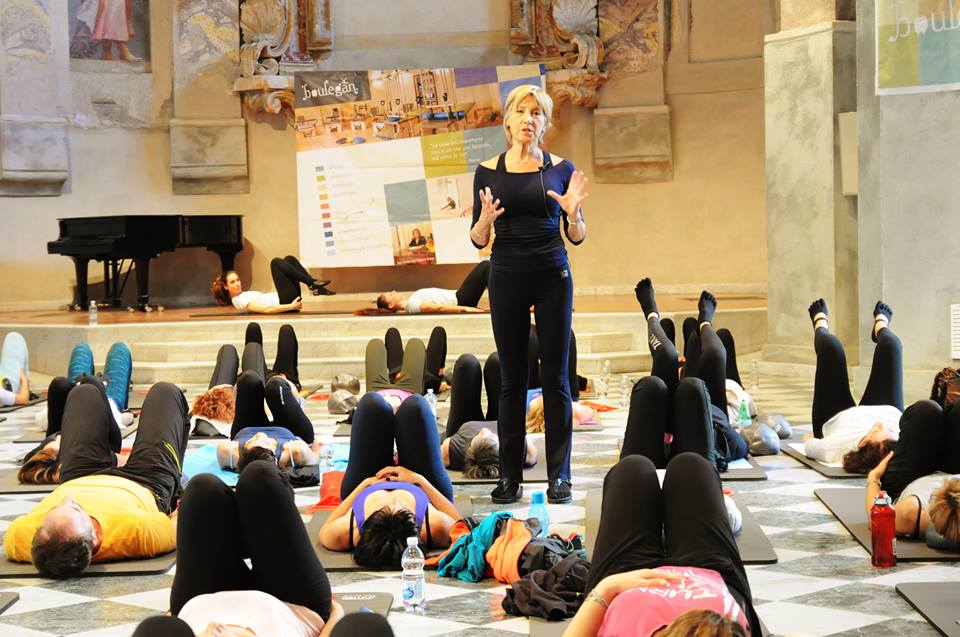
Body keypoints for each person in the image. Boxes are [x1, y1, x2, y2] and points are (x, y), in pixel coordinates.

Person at [470, 83, 589, 504]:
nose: (528, 119)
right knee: (511, 380)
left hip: (553, 274)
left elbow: (577, 236)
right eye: (521, 112)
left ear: (545, 123)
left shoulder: (561, 169)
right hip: (506, 276)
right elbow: (477, 238)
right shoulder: (487, 172)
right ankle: (510, 477)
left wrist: (573, 215)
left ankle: (560, 476)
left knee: (556, 379)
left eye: (536, 113)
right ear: (507, 121)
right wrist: (484, 221)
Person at [130, 460, 345, 637]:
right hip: (292, 605)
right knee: (260, 477)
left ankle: (246, 531)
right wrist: (335, 615)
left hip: (203, 600)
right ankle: (256, 530)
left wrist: (176, 620)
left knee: (202, 490)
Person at [4, 382, 189, 578]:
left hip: (79, 475)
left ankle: (111, 446)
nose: (67, 500)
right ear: (94, 538)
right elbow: (182, 519)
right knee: (165, 392)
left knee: (84, 393)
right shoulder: (138, 533)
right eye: (77, 509)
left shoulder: (21, 538)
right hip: (146, 482)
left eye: (55, 509)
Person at [567, 453, 761, 637]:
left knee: (632, 469)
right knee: (691, 467)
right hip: (712, 576)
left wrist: (608, 587)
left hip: (624, 578)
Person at [318, 392, 461, 568]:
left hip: (367, 480)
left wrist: (366, 484)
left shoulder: (348, 532)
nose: (395, 502)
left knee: (371, 404)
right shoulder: (433, 527)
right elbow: (463, 528)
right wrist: (419, 480)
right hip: (421, 481)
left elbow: (325, 529)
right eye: (400, 508)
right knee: (415, 407)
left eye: (385, 509)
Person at [631, 279, 748, 469]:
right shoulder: (730, 446)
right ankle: (704, 323)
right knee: (713, 355)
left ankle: (652, 315)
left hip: (667, 421)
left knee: (667, 356)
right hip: (707, 405)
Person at [802, 298, 903, 473]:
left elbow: (809, 443)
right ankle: (880, 326)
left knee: (831, 348)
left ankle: (820, 322)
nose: (880, 424)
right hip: (887, 406)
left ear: (863, 443)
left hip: (835, 416)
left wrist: (814, 437)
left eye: (876, 430)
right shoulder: (904, 443)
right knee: (891, 345)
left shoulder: (836, 448)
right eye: (890, 432)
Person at [19, 342, 134, 485]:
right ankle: (90, 387)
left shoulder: (54, 445)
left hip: (77, 400)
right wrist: (128, 415)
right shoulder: (94, 455)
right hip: (106, 402)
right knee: (118, 350)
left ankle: (88, 387)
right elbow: (125, 424)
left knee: (75, 363)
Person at [862, 398, 960, 547]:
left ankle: (941, 414)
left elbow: (875, 517)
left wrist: (873, 477)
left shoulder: (911, 513)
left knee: (926, 411)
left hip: (908, 480)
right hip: (952, 467)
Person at [191, 322, 301, 436]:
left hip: (230, 398)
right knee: (279, 334)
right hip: (272, 386)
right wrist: (283, 381)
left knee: (231, 349)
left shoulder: (210, 417)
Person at [442, 352, 538, 479]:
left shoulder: (454, 451)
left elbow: (436, 457)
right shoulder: (519, 451)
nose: (483, 430)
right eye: (490, 436)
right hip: (502, 421)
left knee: (467, 364)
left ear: (470, 447)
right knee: (497, 361)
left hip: (464, 424)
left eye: (478, 437)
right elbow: (533, 453)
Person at [215, 369, 320, 473]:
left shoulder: (227, 452)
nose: (260, 434)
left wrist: (240, 407)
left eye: (252, 441)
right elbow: (316, 454)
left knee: (248, 380)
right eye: (267, 441)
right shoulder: (296, 452)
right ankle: (295, 405)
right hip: (290, 431)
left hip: (247, 429)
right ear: (274, 455)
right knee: (276, 385)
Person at [211, 255, 333, 313]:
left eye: (237, 280)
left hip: (285, 299)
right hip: (286, 303)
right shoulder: (238, 300)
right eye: (233, 282)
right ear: (226, 287)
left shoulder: (243, 294)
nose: (237, 283)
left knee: (289, 259)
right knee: (275, 262)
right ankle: (312, 283)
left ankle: (314, 286)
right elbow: (267, 310)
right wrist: (291, 306)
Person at [373, 260, 490, 314]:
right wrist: (465, 309)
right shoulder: (412, 305)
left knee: (487, 266)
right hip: (460, 300)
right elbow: (439, 308)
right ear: (391, 305)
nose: (393, 291)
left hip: (459, 297)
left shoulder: (411, 302)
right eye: (390, 294)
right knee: (485, 266)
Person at [0, 331, 31, 407]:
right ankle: (26, 377)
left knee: (13, 337)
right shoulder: (2, 395)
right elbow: (24, 399)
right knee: (14, 337)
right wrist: (24, 379)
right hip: (8, 385)